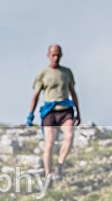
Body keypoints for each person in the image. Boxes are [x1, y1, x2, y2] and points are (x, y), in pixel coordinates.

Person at [27, 44, 81, 179]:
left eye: (58, 55)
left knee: (69, 135)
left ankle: (60, 165)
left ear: (61, 55)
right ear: (48, 55)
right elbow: (36, 95)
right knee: (49, 142)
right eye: (53, 55)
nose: (56, 57)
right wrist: (31, 114)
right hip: (49, 111)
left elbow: (73, 92)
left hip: (66, 109)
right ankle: (48, 175)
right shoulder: (43, 74)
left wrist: (78, 111)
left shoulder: (67, 72)